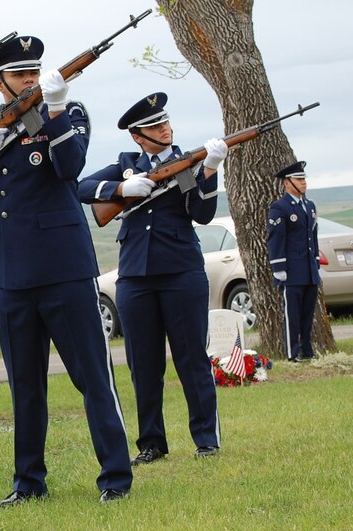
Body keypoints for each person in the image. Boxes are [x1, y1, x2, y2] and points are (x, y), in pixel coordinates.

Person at [0, 36, 133, 505]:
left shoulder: (68, 111)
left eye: (34, 72)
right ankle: (28, 483)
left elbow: (70, 168)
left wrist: (55, 111)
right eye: (20, 75)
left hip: (62, 266)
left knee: (92, 375)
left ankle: (116, 477)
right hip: (9, 271)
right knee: (25, 385)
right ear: (0, 83)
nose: (30, 81)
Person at [78, 92, 228, 464]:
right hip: (135, 276)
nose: (164, 128)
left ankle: (206, 438)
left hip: (181, 272)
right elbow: (80, 187)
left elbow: (203, 214)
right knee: (143, 364)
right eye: (154, 126)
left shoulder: (188, 164)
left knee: (191, 357)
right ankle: (151, 443)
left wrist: (210, 170)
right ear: (138, 136)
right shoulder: (126, 165)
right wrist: (121, 189)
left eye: (165, 122)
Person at [267, 160, 320, 361]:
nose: (304, 182)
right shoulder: (280, 207)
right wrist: (279, 267)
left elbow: (312, 237)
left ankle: (307, 350)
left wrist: (315, 260)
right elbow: (276, 239)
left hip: (308, 270)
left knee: (307, 314)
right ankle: (292, 352)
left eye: (304, 178)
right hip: (291, 270)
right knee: (292, 315)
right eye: (299, 179)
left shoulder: (309, 205)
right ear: (287, 183)